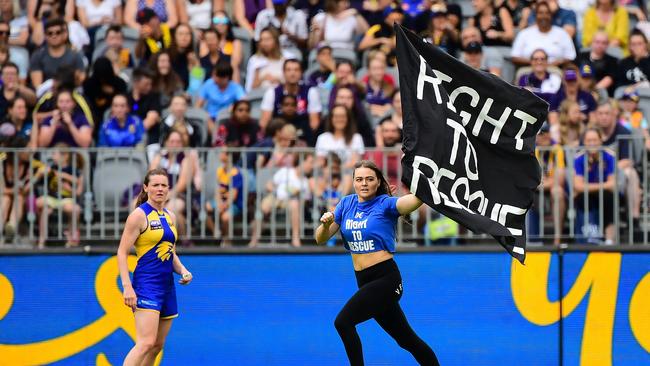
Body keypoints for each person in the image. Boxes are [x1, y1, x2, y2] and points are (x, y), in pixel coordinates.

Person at [315, 160, 440, 366]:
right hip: (364, 281)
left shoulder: (385, 204)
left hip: (386, 280)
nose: (364, 183)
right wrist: (325, 224)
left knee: (343, 322)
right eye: (359, 179)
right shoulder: (346, 203)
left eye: (369, 179)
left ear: (378, 182)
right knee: (407, 340)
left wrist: (428, 179)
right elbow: (321, 238)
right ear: (353, 182)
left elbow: (414, 201)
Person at [117, 168, 193, 365]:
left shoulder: (171, 216)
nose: (160, 189)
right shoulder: (138, 216)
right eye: (155, 185)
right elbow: (122, 252)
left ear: (169, 189)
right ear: (146, 187)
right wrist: (127, 287)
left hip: (167, 286)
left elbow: (170, 252)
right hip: (147, 285)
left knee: (157, 345)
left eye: (164, 185)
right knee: (145, 343)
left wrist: (183, 270)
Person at [36, 144, 85, 247]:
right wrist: (40, 173)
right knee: (42, 206)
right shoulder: (51, 168)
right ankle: (41, 240)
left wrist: (67, 187)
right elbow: (38, 178)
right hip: (52, 198)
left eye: (55, 154)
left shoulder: (73, 170)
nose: (52, 156)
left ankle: (71, 237)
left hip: (66, 199)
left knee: (75, 209)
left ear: (65, 156)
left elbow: (78, 190)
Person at [573, 127, 616, 243]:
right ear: (584, 142)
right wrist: (603, 185)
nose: (592, 143)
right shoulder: (579, 158)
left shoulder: (609, 156)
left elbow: (612, 184)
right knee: (582, 198)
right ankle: (590, 236)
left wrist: (588, 187)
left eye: (595, 140)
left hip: (603, 194)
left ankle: (609, 239)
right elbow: (577, 186)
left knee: (609, 198)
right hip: (586, 194)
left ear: (600, 141)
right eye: (589, 140)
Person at [510, 1, 575, 67]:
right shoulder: (524, 34)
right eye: (540, 13)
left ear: (551, 15)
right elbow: (514, 57)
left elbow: (570, 56)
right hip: (528, 70)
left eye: (547, 13)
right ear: (536, 15)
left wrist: (555, 63)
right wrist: (536, 63)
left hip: (555, 70)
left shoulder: (562, 33)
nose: (544, 16)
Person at [28, 18, 86, 89]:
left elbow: (81, 78)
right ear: (45, 36)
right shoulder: (37, 56)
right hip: (47, 94)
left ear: (64, 34)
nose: (54, 36)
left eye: (58, 32)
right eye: (50, 33)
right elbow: (37, 85)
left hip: (70, 91)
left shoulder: (75, 54)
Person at [197, 62, 245, 132]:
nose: (213, 78)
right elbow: (198, 105)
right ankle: (216, 138)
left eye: (216, 76)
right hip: (211, 118)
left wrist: (234, 106)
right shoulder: (208, 84)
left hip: (228, 117)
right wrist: (205, 114)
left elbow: (243, 102)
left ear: (226, 78)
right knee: (207, 119)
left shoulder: (236, 87)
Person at [576, 31, 619, 96]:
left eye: (603, 43)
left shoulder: (612, 60)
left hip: (600, 93)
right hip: (580, 90)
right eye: (597, 42)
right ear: (592, 42)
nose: (600, 45)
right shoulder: (581, 56)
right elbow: (575, 72)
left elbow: (609, 80)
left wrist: (592, 92)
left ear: (607, 45)